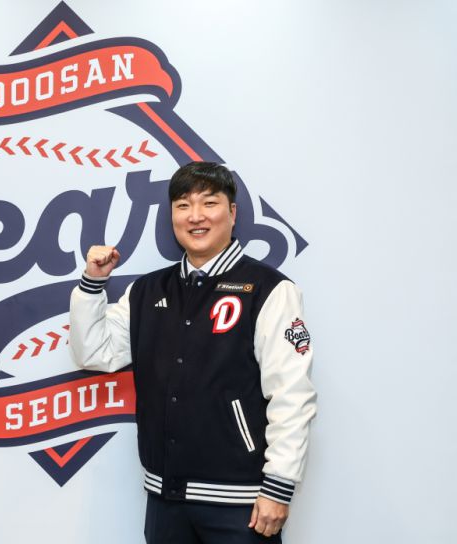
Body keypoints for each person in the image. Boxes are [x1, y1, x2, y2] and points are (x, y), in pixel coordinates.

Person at [68, 162, 316, 543]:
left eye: (209, 203)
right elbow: (93, 352)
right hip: (165, 500)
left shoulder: (269, 289)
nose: (195, 216)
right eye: (183, 205)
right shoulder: (147, 291)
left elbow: (292, 394)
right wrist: (92, 284)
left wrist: (279, 486)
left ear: (232, 212)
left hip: (243, 505)